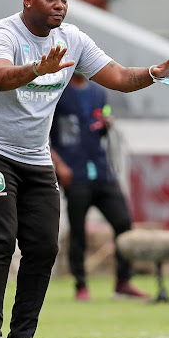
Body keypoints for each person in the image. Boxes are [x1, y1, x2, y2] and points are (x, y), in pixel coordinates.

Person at [0, 0, 169, 338]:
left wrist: (155, 74)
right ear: (28, 0)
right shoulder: (2, 35)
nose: (60, 6)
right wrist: (36, 69)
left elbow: (117, 77)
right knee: (0, 239)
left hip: (34, 154)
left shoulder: (74, 40)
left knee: (45, 245)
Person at [50, 72, 149, 302]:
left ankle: (123, 282)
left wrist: (106, 124)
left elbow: (100, 119)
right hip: (75, 172)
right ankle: (81, 285)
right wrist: (60, 165)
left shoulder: (98, 92)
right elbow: (43, 132)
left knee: (123, 222)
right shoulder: (57, 92)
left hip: (101, 170)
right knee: (78, 231)